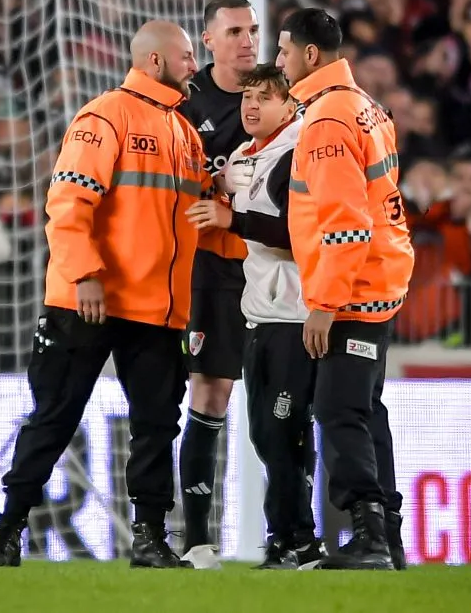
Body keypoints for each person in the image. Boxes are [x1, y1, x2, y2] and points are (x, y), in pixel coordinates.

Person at [0, 20, 226, 569]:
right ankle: (6, 534)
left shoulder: (184, 133)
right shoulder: (105, 115)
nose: (192, 67)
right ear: (155, 62)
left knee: (157, 426)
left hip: (157, 310)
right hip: (89, 300)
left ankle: (150, 538)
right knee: (56, 418)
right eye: (186, 56)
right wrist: (85, 273)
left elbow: (197, 213)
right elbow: (67, 204)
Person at [276, 7, 415, 571]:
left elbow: (347, 224)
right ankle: (390, 533)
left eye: (284, 51)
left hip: (353, 289)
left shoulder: (328, 121)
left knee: (337, 408)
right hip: (380, 280)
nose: (278, 61)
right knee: (363, 408)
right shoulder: (366, 107)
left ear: (311, 55)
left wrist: (324, 304)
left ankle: (369, 534)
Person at [186, 63, 327, 570]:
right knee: (266, 433)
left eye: (264, 98)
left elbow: (298, 233)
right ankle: (287, 540)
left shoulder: (298, 153)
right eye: (247, 98)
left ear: (290, 106)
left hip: (296, 315)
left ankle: (300, 540)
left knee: (282, 430)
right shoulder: (250, 156)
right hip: (260, 314)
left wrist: (233, 218)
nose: (250, 107)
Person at [175, 0, 257, 569]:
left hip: (273, 264)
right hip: (211, 266)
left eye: (252, 29)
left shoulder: (278, 98)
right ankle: (198, 537)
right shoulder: (186, 103)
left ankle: (292, 537)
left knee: (290, 397)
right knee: (211, 393)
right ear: (208, 41)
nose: (246, 40)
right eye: (233, 31)